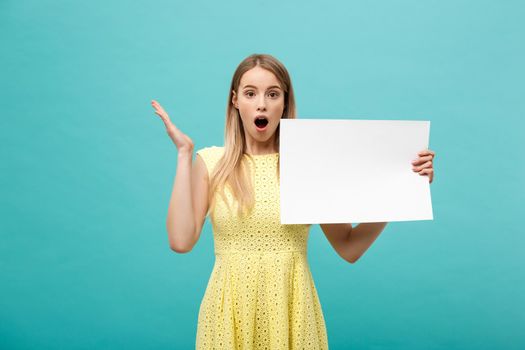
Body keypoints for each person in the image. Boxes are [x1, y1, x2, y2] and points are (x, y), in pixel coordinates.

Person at [150, 53, 435, 349]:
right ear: (235, 101)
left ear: (284, 102)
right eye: (251, 93)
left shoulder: (306, 164)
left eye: (272, 94)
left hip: (292, 313)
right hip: (228, 315)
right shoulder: (211, 163)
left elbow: (349, 247)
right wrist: (184, 154)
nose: (261, 104)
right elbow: (181, 241)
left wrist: (400, 188)